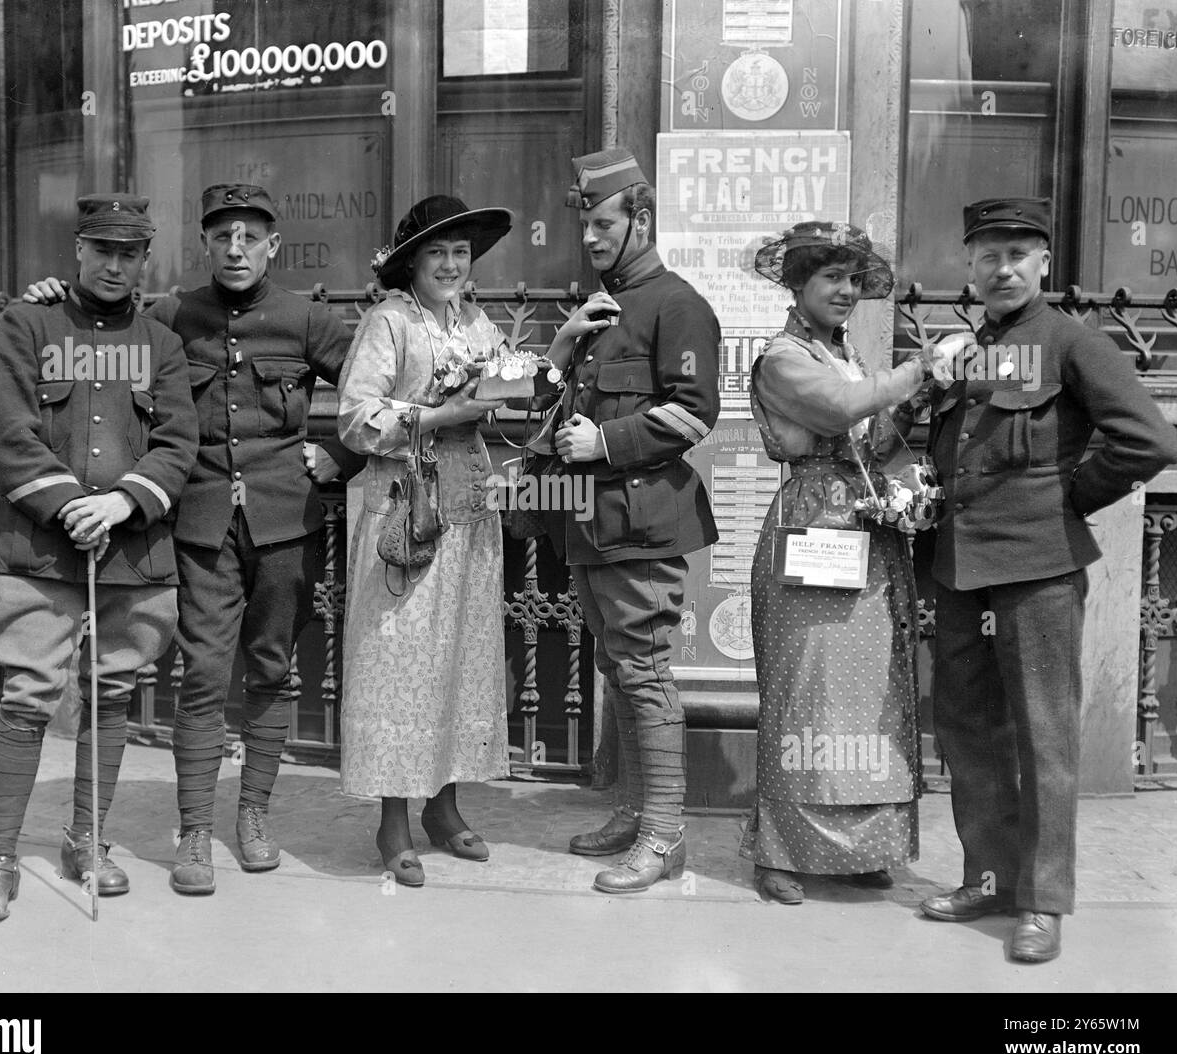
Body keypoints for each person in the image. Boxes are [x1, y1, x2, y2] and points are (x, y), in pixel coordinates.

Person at [24, 183, 365, 896]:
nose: (235, 249)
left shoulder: (307, 318)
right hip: (201, 524)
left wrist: (343, 455)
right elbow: (97, 335)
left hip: (285, 522)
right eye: (222, 237)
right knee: (203, 676)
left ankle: (255, 815)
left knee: (271, 668)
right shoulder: (172, 315)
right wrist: (54, 301)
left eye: (250, 237)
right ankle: (196, 832)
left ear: (272, 244)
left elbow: (380, 388)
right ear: (205, 245)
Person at [920, 196, 1177, 961]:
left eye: (1017, 254)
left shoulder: (1072, 340)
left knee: (1044, 735)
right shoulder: (970, 351)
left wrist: (1068, 500)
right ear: (967, 266)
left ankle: (1041, 902)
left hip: (1038, 567)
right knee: (967, 730)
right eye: (987, 255)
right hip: (960, 567)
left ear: (1043, 263)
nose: (1002, 268)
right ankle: (988, 876)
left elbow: (1150, 440)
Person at [337, 195, 605, 886]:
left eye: (461, 254)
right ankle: (393, 818)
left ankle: (443, 807)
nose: (453, 264)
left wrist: (564, 340)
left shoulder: (477, 322)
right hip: (404, 506)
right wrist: (442, 412)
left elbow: (517, 393)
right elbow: (356, 419)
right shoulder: (388, 323)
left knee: (459, 653)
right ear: (412, 264)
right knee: (398, 659)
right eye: (438, 254)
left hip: (468, 503)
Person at [0, 193, 197, 924]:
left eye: (130, 254)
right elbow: (7, 430)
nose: (116, 265)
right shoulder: (28, 325)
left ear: (144, 259)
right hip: (34, 548)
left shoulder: (161, 343)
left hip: (131, 549)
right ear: (79, 252)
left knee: (114, 694)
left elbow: (179, 441)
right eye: (103, 251)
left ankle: (86, 839)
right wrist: (70, 504)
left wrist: (123, 502)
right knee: (29, 697)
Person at [740, 221, 937, 904]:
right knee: (806, 693)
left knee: (868, 696)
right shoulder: (781, 357)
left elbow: (875, 436)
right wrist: (917, 369)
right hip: (810, 526)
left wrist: (910, 448)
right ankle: (779, 854)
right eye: (833, 277)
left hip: (868, 532)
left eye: (856, 279)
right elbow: (840, 409)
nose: (848, 290)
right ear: (797, 282)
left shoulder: (845, 354)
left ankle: (864, 848)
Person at [552, 148, 721, 894]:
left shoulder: (676, 304)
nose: (590, 238)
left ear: (641, 221)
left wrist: (607, 442)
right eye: (585, 224)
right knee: (618, 668)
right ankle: (633, 811)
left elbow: (693, 415)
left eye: (602, 223)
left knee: (646, 673)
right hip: (592, 524)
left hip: (644, 523)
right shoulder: (605, 308)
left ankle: (663, 835)